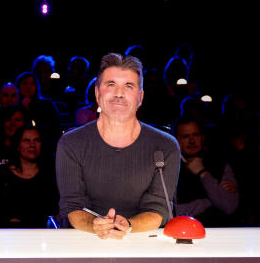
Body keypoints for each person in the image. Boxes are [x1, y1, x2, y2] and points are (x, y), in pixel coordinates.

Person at [57, 53, 180, 238]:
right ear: (97, 93)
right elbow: (72, 206)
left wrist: (127, 226)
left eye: (128, 86)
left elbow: (158, 210)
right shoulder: (72, 144)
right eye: (111, 84)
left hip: (143, 243)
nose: (119, 94)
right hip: (85, 242)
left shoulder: (165, 146)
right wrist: (96, 226)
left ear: (140, 97)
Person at [173, 117, 238, 226]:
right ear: (176, 139)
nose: (192, 141)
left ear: (203, 137)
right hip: (183, 232)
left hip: (221, 231)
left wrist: (203, 173)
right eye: (186, 136)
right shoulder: (170, 167)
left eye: (196, 135)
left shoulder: (220, 164)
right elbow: (172, 212)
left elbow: (229, 206)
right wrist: (212, 200)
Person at [0, 125, 58, 227]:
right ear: (18, 145)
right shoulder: (3, 176)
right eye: (26, 141)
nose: (32, 145)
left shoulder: (51, 175)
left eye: (37, 140)